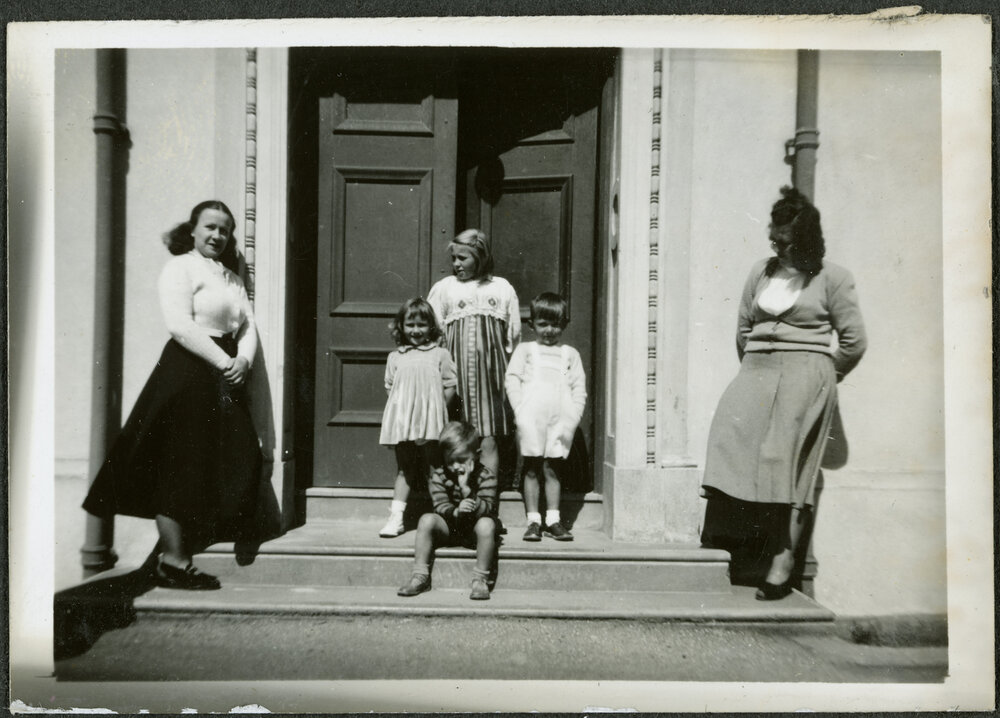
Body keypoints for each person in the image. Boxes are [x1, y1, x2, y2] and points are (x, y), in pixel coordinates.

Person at [83, 200, 262, 591]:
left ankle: (203, 542)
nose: (217, 235)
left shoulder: (232, 278)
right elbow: (180, 325)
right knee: (178, 464)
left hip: (225, 372)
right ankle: (174, 561)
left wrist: (244, 361)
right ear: (192, 230)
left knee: (236, 452)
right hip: (188, 371)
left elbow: (247, 325)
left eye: (225, 230)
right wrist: (225, 361)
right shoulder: (180, 267)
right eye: (210, 227)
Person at [700, 186, 867, 600]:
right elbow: (743, 327)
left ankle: (782, 559)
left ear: (807, 241)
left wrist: (823, 375)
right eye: (773, 240)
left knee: (785, 464)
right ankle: (734, 541)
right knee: (728, 441)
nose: (777, 248)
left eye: (785, 242)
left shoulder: (834, 278)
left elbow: (854, 342)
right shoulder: (761, 271)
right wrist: (754, 369)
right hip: (757, 369)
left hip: (806, 374)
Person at [427, 229, 520, 482]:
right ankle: (455, 494)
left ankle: (487, 496)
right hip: (455, 378)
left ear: (480, 257)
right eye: (454, 258)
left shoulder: (501, 288)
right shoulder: (445, 288)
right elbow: (433, 330)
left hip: (490, 377)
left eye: (463, 258)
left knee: (488, 437)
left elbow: (512, 335)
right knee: (454, 436)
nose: (456, 264)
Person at [505, 292, 587, 542]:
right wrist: (520, 410)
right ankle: (533, 521)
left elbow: (578, 387)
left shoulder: (569, 354)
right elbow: (512, 379)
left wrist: (573, 415)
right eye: (543, 324)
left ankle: (553, 520)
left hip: (559, 420)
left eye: (555, 324)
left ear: (564, 325)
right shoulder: (526, 350)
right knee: (531, 468)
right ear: (532, 325)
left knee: (552, 469)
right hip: (531, 418)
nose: (549, 330)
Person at [378, 297, 457, 537]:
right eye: (410, 325)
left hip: (431, 423)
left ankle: (443, 516)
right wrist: (404, 412)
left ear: (431, 326)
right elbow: (390, 387)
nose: (415, 330)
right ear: (401, 326)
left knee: (434, 468)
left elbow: (450, 385)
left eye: (421, 325)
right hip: (404, 424)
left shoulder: (440, 354)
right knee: (405, 469)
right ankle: (396, 518)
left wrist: (437, 412)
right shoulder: (395, 357)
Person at [397, 421, 499, 601]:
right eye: (450, 461)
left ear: (476, 455)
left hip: (474, 532)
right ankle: (420, 575)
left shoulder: (486, 476)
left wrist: (467, 491)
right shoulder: (439, 475)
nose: (456, 466)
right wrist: (457, 512)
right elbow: (440, 505)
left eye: (462, 460)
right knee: (426, 519)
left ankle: (480, 579)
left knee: (487, 524)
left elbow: (488, 508)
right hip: (449, 528)